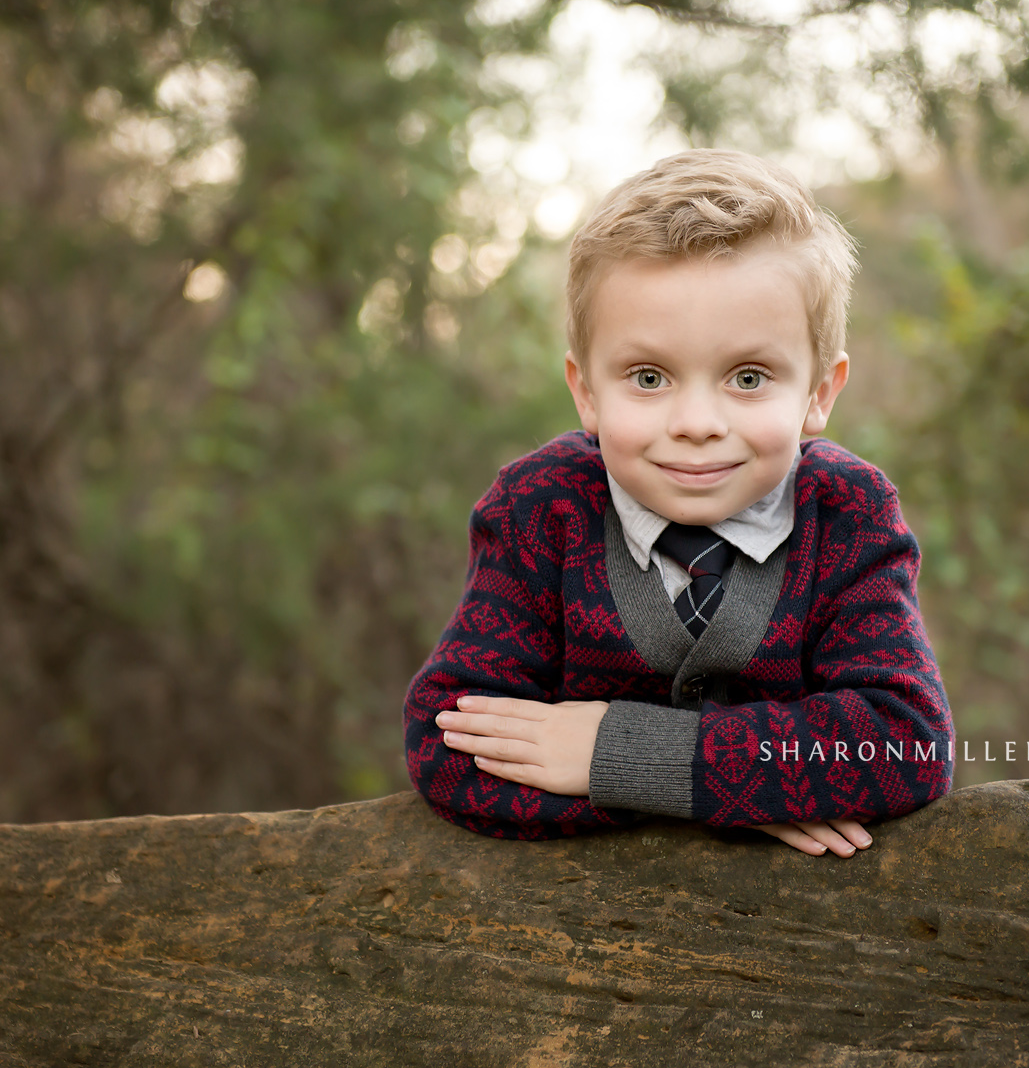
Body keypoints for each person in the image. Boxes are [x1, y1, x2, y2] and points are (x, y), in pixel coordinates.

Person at [402, 149, 953, 856]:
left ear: (819, 394)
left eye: (748, 378)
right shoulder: (543, 511)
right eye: (649, 376)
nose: (697, 422)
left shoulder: (846, 514)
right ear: (586, 391)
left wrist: (624, 759)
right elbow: (448, 738)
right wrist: (734, 794)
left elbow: (904, 744)